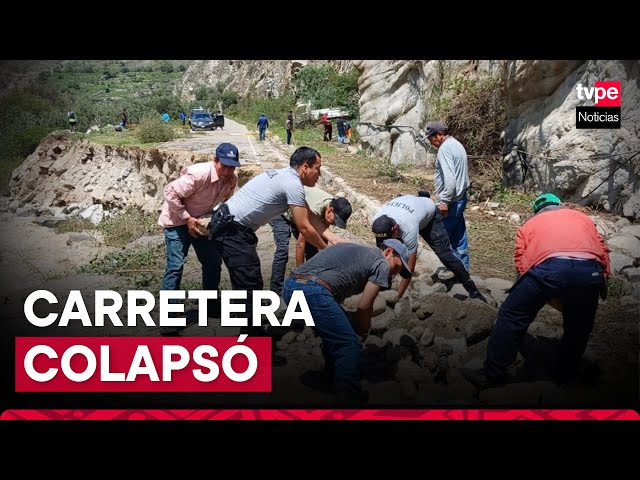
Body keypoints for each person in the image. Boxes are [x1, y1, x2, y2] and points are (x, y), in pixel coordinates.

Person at [207, 146, 343, 366]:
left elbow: (310, 218)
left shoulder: (288, 178)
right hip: (231, 230)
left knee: (249, 286)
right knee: (249, 288)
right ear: (305, 167)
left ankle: (253, 337)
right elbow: (305, 228)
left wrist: (337, 241)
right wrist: (328, 251)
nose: (320, 174)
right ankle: (251, 350)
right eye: (318, 168)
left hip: (234, 228)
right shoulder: (291, 184)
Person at [462, 193, 611, 389]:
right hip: (589, 273)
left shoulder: (529, 224)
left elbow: (521, 262)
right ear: (560, 205)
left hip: (548, 270)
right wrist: (601, 283)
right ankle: (564, 378)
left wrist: (525, 293)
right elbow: (603, 251)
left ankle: (492, 375)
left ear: (537, 211)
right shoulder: (582, 218)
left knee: (511, 316)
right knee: (578, 328)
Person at [282, 238, 413, 404]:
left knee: (337, 335)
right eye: (397, 267)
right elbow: (365, 306)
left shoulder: (360, 251)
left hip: (291, 286)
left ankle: (328, 378)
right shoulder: (382, 263)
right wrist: (363, 330)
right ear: (388, 252)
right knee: (348, 344)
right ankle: (348, 398)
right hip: (311, 291)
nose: (393, 274)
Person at [157, 143, 240, 336]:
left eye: (232, 166)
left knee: (212, 263)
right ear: (215, 160)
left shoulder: (231, 180)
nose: (228, 170)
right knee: (175, 266)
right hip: (177, 220)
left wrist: (210, 222)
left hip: (200, 222)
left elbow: (225, 203)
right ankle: (169, 318)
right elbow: (170, 192)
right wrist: (187, 218)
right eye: (224, 165)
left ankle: (210, 304)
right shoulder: (199, 174)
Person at [371, 193, 486, 302]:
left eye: (391, 238)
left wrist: (397, 298)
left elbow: (410, 268)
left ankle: (473, 290)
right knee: (388, 256)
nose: (391, 241)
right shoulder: (377, 222)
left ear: (395, 228)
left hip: (429, 217)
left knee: (445, 255)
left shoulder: (408, 228)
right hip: (411, 210)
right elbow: (382, 255)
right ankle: (385, 287)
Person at [268, 187, 352, 297]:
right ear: (330, 210)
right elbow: (300, 244)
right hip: (280, 211)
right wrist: (300, 275)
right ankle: (276, 290)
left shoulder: (330, 206)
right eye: (334, 221)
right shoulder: (315, 210)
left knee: (313, 250)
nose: (333, 224)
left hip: (297, 212)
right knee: (283, 249)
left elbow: (322, 237)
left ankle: (313, 284)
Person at [424, 121, 471, 278]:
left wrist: (444, 201)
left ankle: (453, 268)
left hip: (451, 201)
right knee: (459, 234)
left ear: (439, 134)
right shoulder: (457, 145)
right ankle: (463, 266)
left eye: (431, 139)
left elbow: (450, 179)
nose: (431, 143)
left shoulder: (444, 149)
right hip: (460, 197)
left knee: (443, 235)